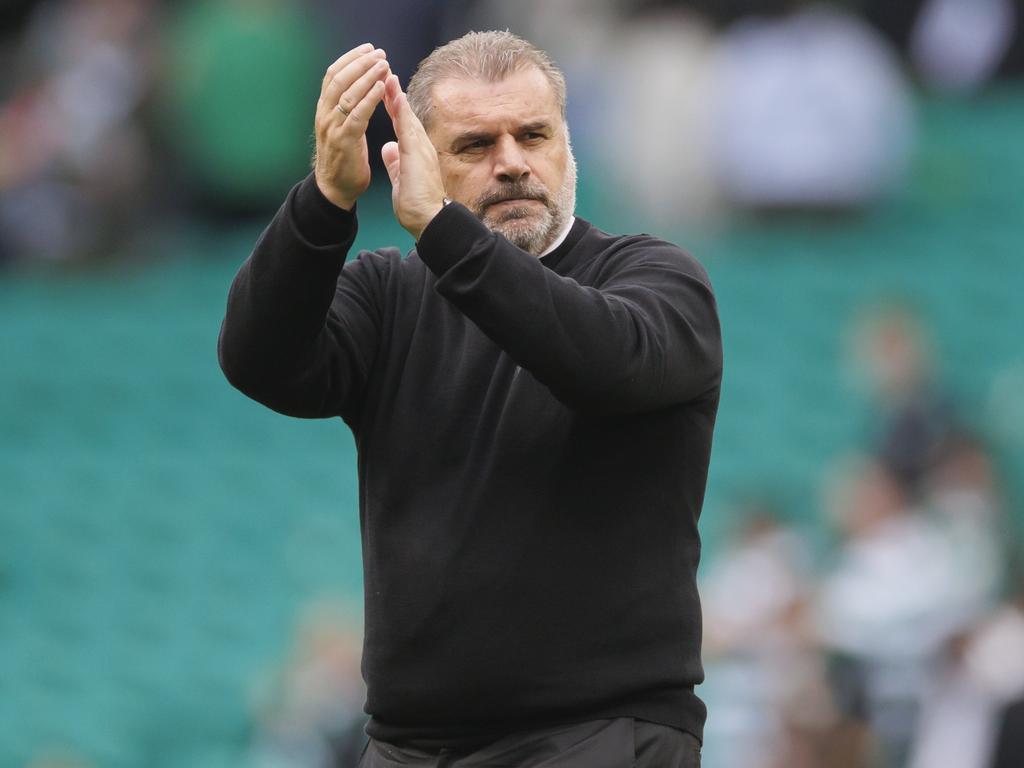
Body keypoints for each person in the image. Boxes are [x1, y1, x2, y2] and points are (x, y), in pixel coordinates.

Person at [218, 30, 722, 768]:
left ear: (567, 144)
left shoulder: (653, 276)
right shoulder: (390, 294)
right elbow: (259, 362)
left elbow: (601, 362)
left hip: (599, 734)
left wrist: (442, 230)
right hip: (410, 747)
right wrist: (325, 200)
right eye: (475, 144)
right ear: (412, 158)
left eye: (534, 134)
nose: (513, 162)